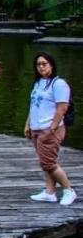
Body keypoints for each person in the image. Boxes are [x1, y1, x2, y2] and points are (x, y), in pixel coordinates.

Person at [25, 52, 76, 206]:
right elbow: (34, 105)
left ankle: (68, 190)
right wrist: (28, 124)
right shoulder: (38, 82)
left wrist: (52, 128)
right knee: (45, 161)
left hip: (50, 128)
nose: (41, 67)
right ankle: (50, 192)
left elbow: (62, 108)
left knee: (49, 163)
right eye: (38, 64)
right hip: (36, 127)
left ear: (51, 65)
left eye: (44, 64)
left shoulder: (58, 83)